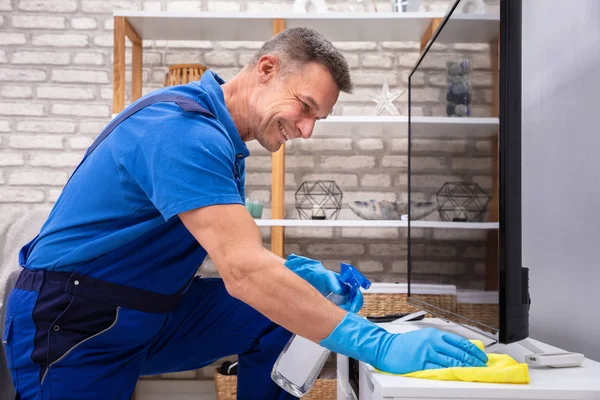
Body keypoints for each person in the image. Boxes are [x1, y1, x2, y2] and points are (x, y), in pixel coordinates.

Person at [2, 27, 487, 400]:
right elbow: (243, 271)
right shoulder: (182, 132)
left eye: (317, 118)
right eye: (305, 108)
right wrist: (377, 344)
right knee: (266, 294)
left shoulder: (220, 137)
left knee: (281, 314)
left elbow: (240, 254)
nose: (307, 129)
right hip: (74, 322)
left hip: (148, 310)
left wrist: (298, 277)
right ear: (267, 68)